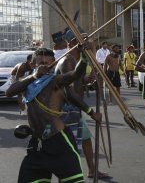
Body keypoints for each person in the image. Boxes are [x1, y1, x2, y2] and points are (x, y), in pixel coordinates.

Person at [6, 47, 101, 183]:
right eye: (40, 63)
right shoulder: (29, 83)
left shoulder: (56, 81)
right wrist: (34, 76)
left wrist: (84, 56)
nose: (44, 65)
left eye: (48, 63)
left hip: (58, 142)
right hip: (37, 145)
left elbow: (75, 74)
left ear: (53, 64)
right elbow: (10, 92)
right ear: (33, 65)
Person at [55, 30, 110, 179]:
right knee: (71, 148)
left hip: (75, 109)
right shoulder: (67, 61)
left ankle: (92, 170)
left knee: (85, 140)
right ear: (72, 43)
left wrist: (88, 79)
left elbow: (76, 81)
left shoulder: (75, 60)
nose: (85, 44)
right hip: (67, 111)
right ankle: (69, 176)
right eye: (81, 41)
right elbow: (69, 92)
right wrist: (91, 112)